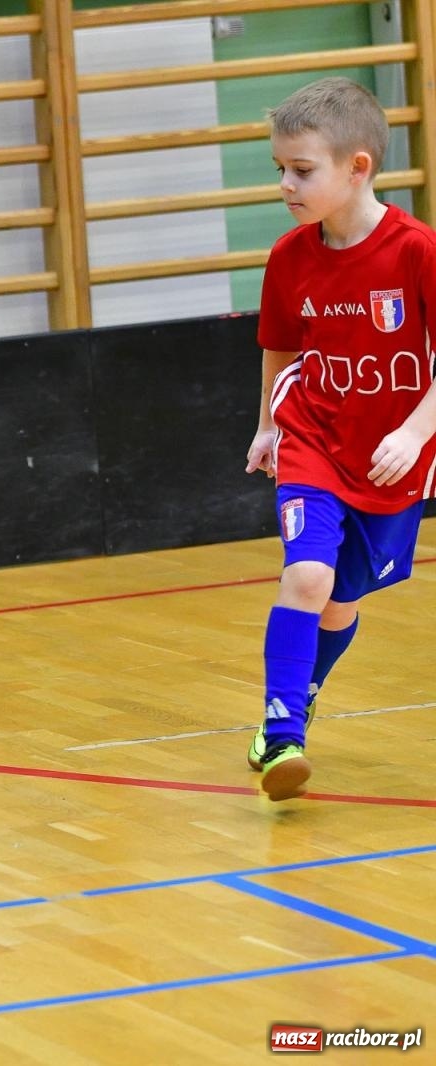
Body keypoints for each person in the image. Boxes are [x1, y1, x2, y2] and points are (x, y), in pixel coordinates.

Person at [243, 77, 436, 801]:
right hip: (313, 440)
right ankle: (279, 730)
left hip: (391, 461)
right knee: (309, 576)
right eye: (280, 171)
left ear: (358, 167)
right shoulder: (290, 258)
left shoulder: (417, 251)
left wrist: (417, 432)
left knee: (341, 602)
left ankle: (307, 685)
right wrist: (268, 424)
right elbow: (280, 349)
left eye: (302, 170)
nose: (286, 185)